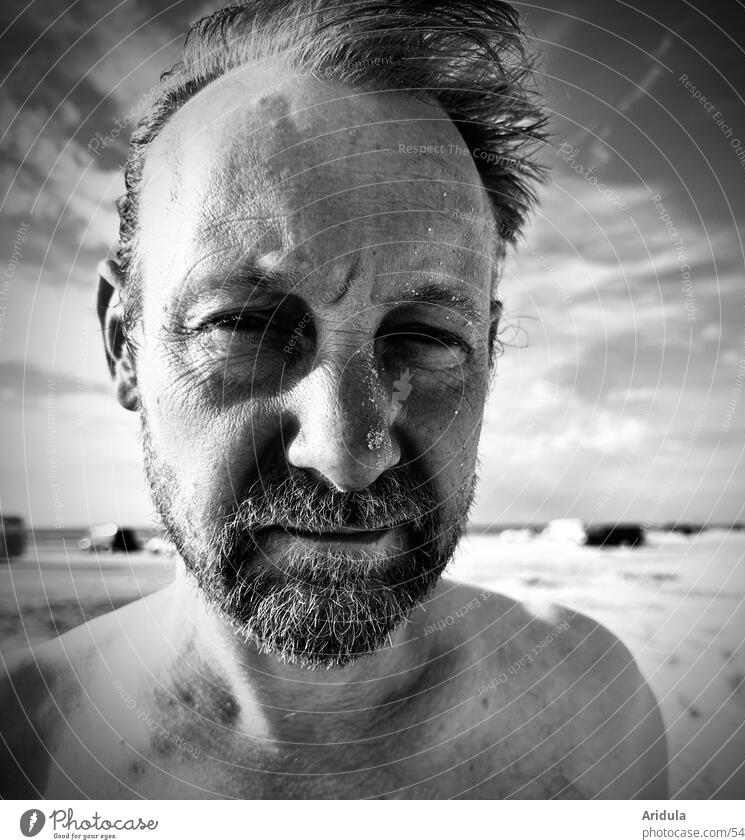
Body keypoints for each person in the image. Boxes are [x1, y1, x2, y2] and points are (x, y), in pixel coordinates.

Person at [0, 0, 667, 799]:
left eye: (424, 335)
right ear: (123, 343)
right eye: (245, 324)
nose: (346, 451)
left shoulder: (598, 713)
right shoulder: (23, 747)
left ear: (488, 350)